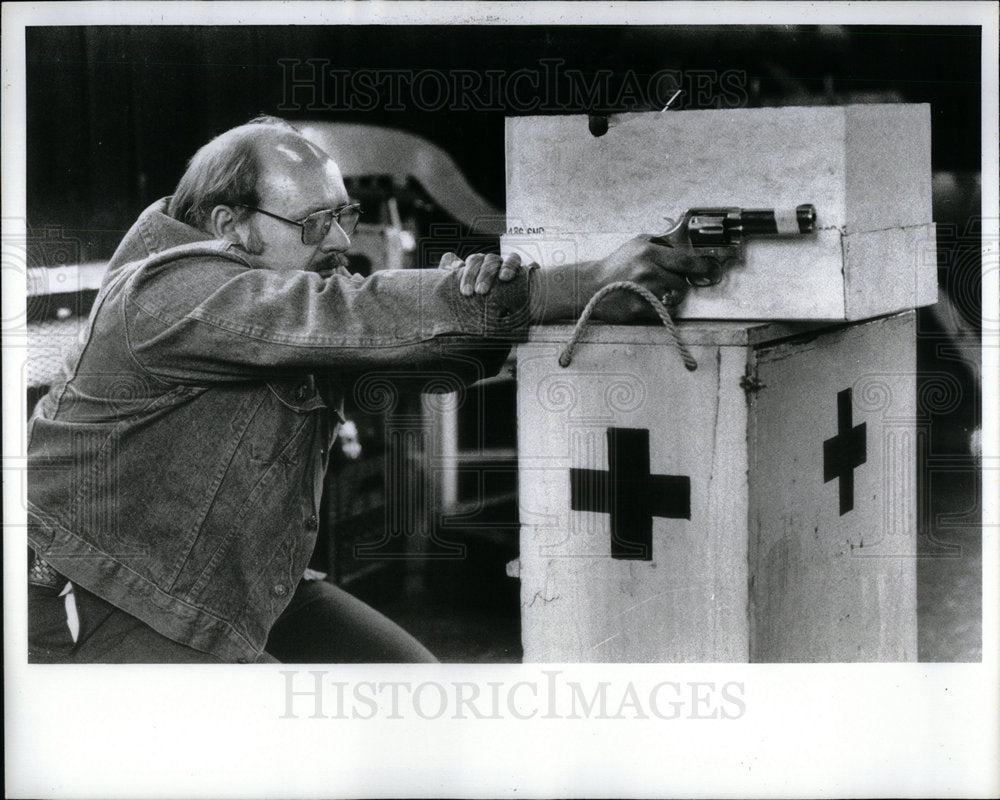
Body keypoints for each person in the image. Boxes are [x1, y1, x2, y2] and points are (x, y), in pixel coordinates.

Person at [26, 116, 711, 663]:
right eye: (313, 223)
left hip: (232, 581)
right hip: (109, 592)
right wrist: (577, 284)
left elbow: (402, 364)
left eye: (343, 215)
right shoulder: (163, 291)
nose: (340, 241)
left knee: (419, 698)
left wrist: (480, 297)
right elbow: (342, 311)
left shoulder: (264, 291)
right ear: (227, 226)